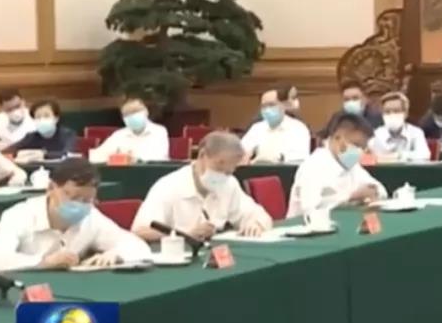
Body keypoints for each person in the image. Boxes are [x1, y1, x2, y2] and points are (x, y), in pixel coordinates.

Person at [0, 158, 152, 271]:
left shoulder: (91, 216)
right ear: (51, 188)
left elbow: (137, 246)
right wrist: (43, 262)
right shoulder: (19, 215)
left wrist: (116, 254)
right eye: (73, 197)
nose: (81, 205)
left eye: (88, 200)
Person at [132, 132, 273, 241]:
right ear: (202, 155)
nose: (222, 175)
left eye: (229, 171)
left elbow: (259, 214)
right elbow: (140, 231)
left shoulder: (229, 184)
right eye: (219, 166)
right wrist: (185, 235)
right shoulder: (168, 186)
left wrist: (256, 224)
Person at [288, 114, 388, 218]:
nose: (359, 151)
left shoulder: (351, 165)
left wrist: (374, 190)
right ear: (337, 138)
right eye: (356, 145)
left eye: (363, 147)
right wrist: (350, 198)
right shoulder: (313, 166)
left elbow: (380, 190)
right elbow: (310, 209)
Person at [88, 98, 170, 163]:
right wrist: (115, 158)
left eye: (136, 112)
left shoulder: (159, 131)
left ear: (146, 112)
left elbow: (159, 157)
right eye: (127, 115)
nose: (132, 117)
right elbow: (96, 157)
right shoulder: (119, 135)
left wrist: (133, 158)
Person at [240, 89, 312, 163]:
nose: (267, 109)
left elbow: (299, 159)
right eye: (264, 106)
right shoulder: (256, 128)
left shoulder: (298, 129)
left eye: (271, 105)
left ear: (284, 105)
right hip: (257, 169)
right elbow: (241, 153)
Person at [3, 99, 78, 159]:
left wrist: (43, 154)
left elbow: (68, 153)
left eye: (46, 116)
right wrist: (20, 154)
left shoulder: (68, 134)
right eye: (38, 117)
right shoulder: (31, 137)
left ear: (56, 118)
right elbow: (8, 151)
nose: (42, 120)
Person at [368, 91, 430, 162]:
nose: (392, 115)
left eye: (396, 111)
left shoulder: (416, 132)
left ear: (406, 113)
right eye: (387, 112)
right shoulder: (376, 134)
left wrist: (398, 155)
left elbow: (424, 155)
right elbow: (366, 158)